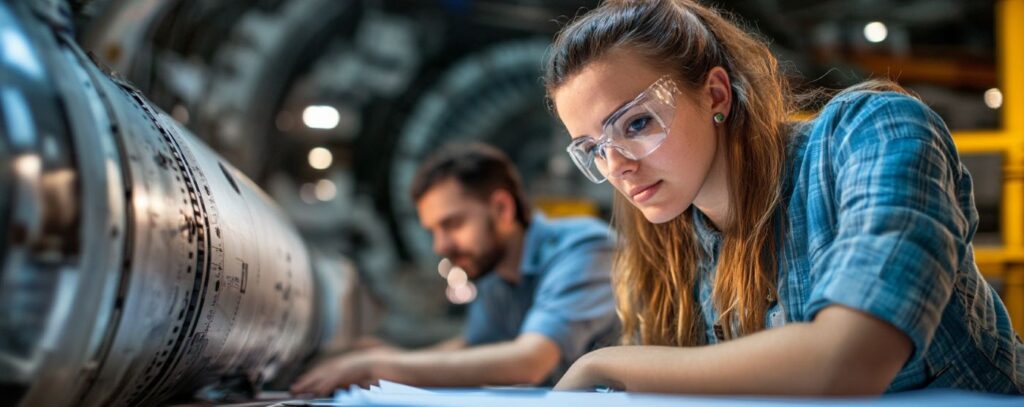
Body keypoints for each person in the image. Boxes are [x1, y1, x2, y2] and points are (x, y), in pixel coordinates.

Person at [542, 0, 1023, 395]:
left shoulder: (872, 131)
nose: (618, 165)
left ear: (715, 95)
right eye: (594, 150)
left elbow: (850, 360)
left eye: (637, 123)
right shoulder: (670, 248)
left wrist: (606, 365)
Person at [290, 143, 619, 396]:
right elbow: (476, 348)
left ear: (502, 208)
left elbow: (528, 361)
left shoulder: (583, 247)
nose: (440, 246)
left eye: (452, 224)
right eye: (433, 231)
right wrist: (397, 355)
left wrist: (379, 365)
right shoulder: (494, 272)